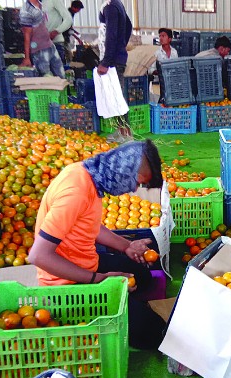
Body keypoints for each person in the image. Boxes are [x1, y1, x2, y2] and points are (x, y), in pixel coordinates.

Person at [27, 140, 167, 348]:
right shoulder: (76, 192)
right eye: (137, 182)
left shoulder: (88, 176)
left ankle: (120, 303)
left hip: (85, 261)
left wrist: (126, 246)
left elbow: (90, 224)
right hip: (66, 283)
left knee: (143, 275)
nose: (135, 189)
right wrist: (99, 280)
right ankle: (104, 311)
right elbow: (38, 256)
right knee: (154, 332)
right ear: (123, 171)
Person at [19, 0, 66, 78]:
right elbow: (26, 35)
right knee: (46, 78)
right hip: (39, 51)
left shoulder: (41, 5)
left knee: (61, 76)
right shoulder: (26, 10)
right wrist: (27, 57)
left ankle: (63, 90)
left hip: (50, 45)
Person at [97, 0, 131, 76]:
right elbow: (129, 26)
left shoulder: (109, 6)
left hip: (111, 62)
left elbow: (111, 34)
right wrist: (121, 45)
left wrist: (106, 62)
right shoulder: (117, 4)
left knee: (112, 88)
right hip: (118, 58)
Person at [43, 0, 73, 65]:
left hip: (55, 44)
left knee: (57, 73)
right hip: (38, 46)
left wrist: (56, 32)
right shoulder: (31, 4)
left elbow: (68, 19)